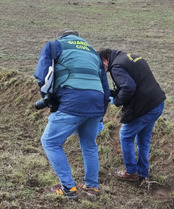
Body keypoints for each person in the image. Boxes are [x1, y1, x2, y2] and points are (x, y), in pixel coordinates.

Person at [34, 30, 110, 199]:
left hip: (73, 100)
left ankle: (68, 187)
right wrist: (100, 114)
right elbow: (105, 87)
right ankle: (92, 187)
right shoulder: (91, 51)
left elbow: (42, 75)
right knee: (89, 144)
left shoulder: (55, 45)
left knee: (50, 141)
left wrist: (48, 98)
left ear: (62, 36)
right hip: (96, 102)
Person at [98, 48, 166, 181]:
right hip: (157, 103)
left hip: (145, 107)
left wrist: (117, 101)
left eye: (100, 65)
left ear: (105, 60)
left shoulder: (116, 67)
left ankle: (131, 172)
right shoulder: (129, 57)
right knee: (143, 139)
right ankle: (142, 172)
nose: (101, 69)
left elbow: (129, 87)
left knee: (126, 135)